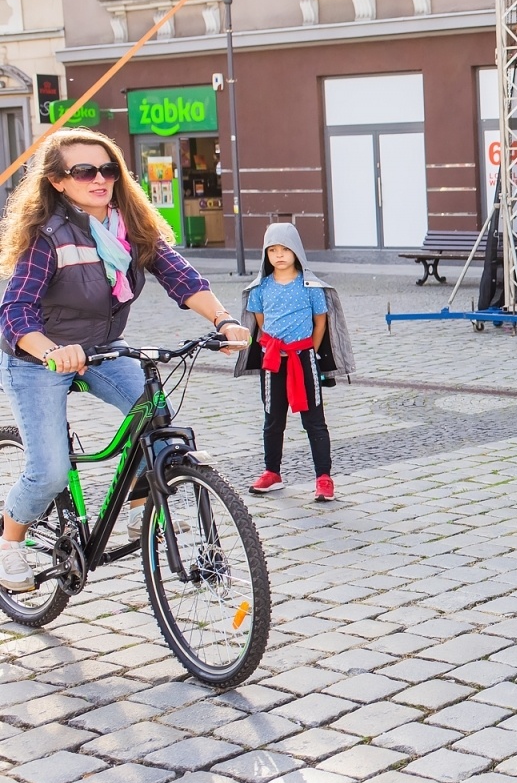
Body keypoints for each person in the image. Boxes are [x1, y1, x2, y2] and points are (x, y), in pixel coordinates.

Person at [0, 128, 252, 594]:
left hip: (101, 350)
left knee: (154, 422)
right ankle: (9, 542)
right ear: (58, 181)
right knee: (50, 470)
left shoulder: (129, 226)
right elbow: (15, 312)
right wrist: (52, 351)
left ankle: (141, 511)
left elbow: (180, 275)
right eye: (84, 171)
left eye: (108, 169)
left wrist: (222, 319)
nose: (99, 179)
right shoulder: (47, 236)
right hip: (38, 358)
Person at [235, 223, 353, 503]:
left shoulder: (309, 285)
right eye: (273, 250)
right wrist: (275, 347)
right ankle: (272, 472)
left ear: (296, 251)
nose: (279, 255)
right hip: (273, 361)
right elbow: (260, 321)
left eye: (285, 249)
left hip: (303, 360)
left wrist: (308, 350)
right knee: (272, 419)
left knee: (314, 420)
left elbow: (320, 320)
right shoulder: (261, 287)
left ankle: (323, 477)